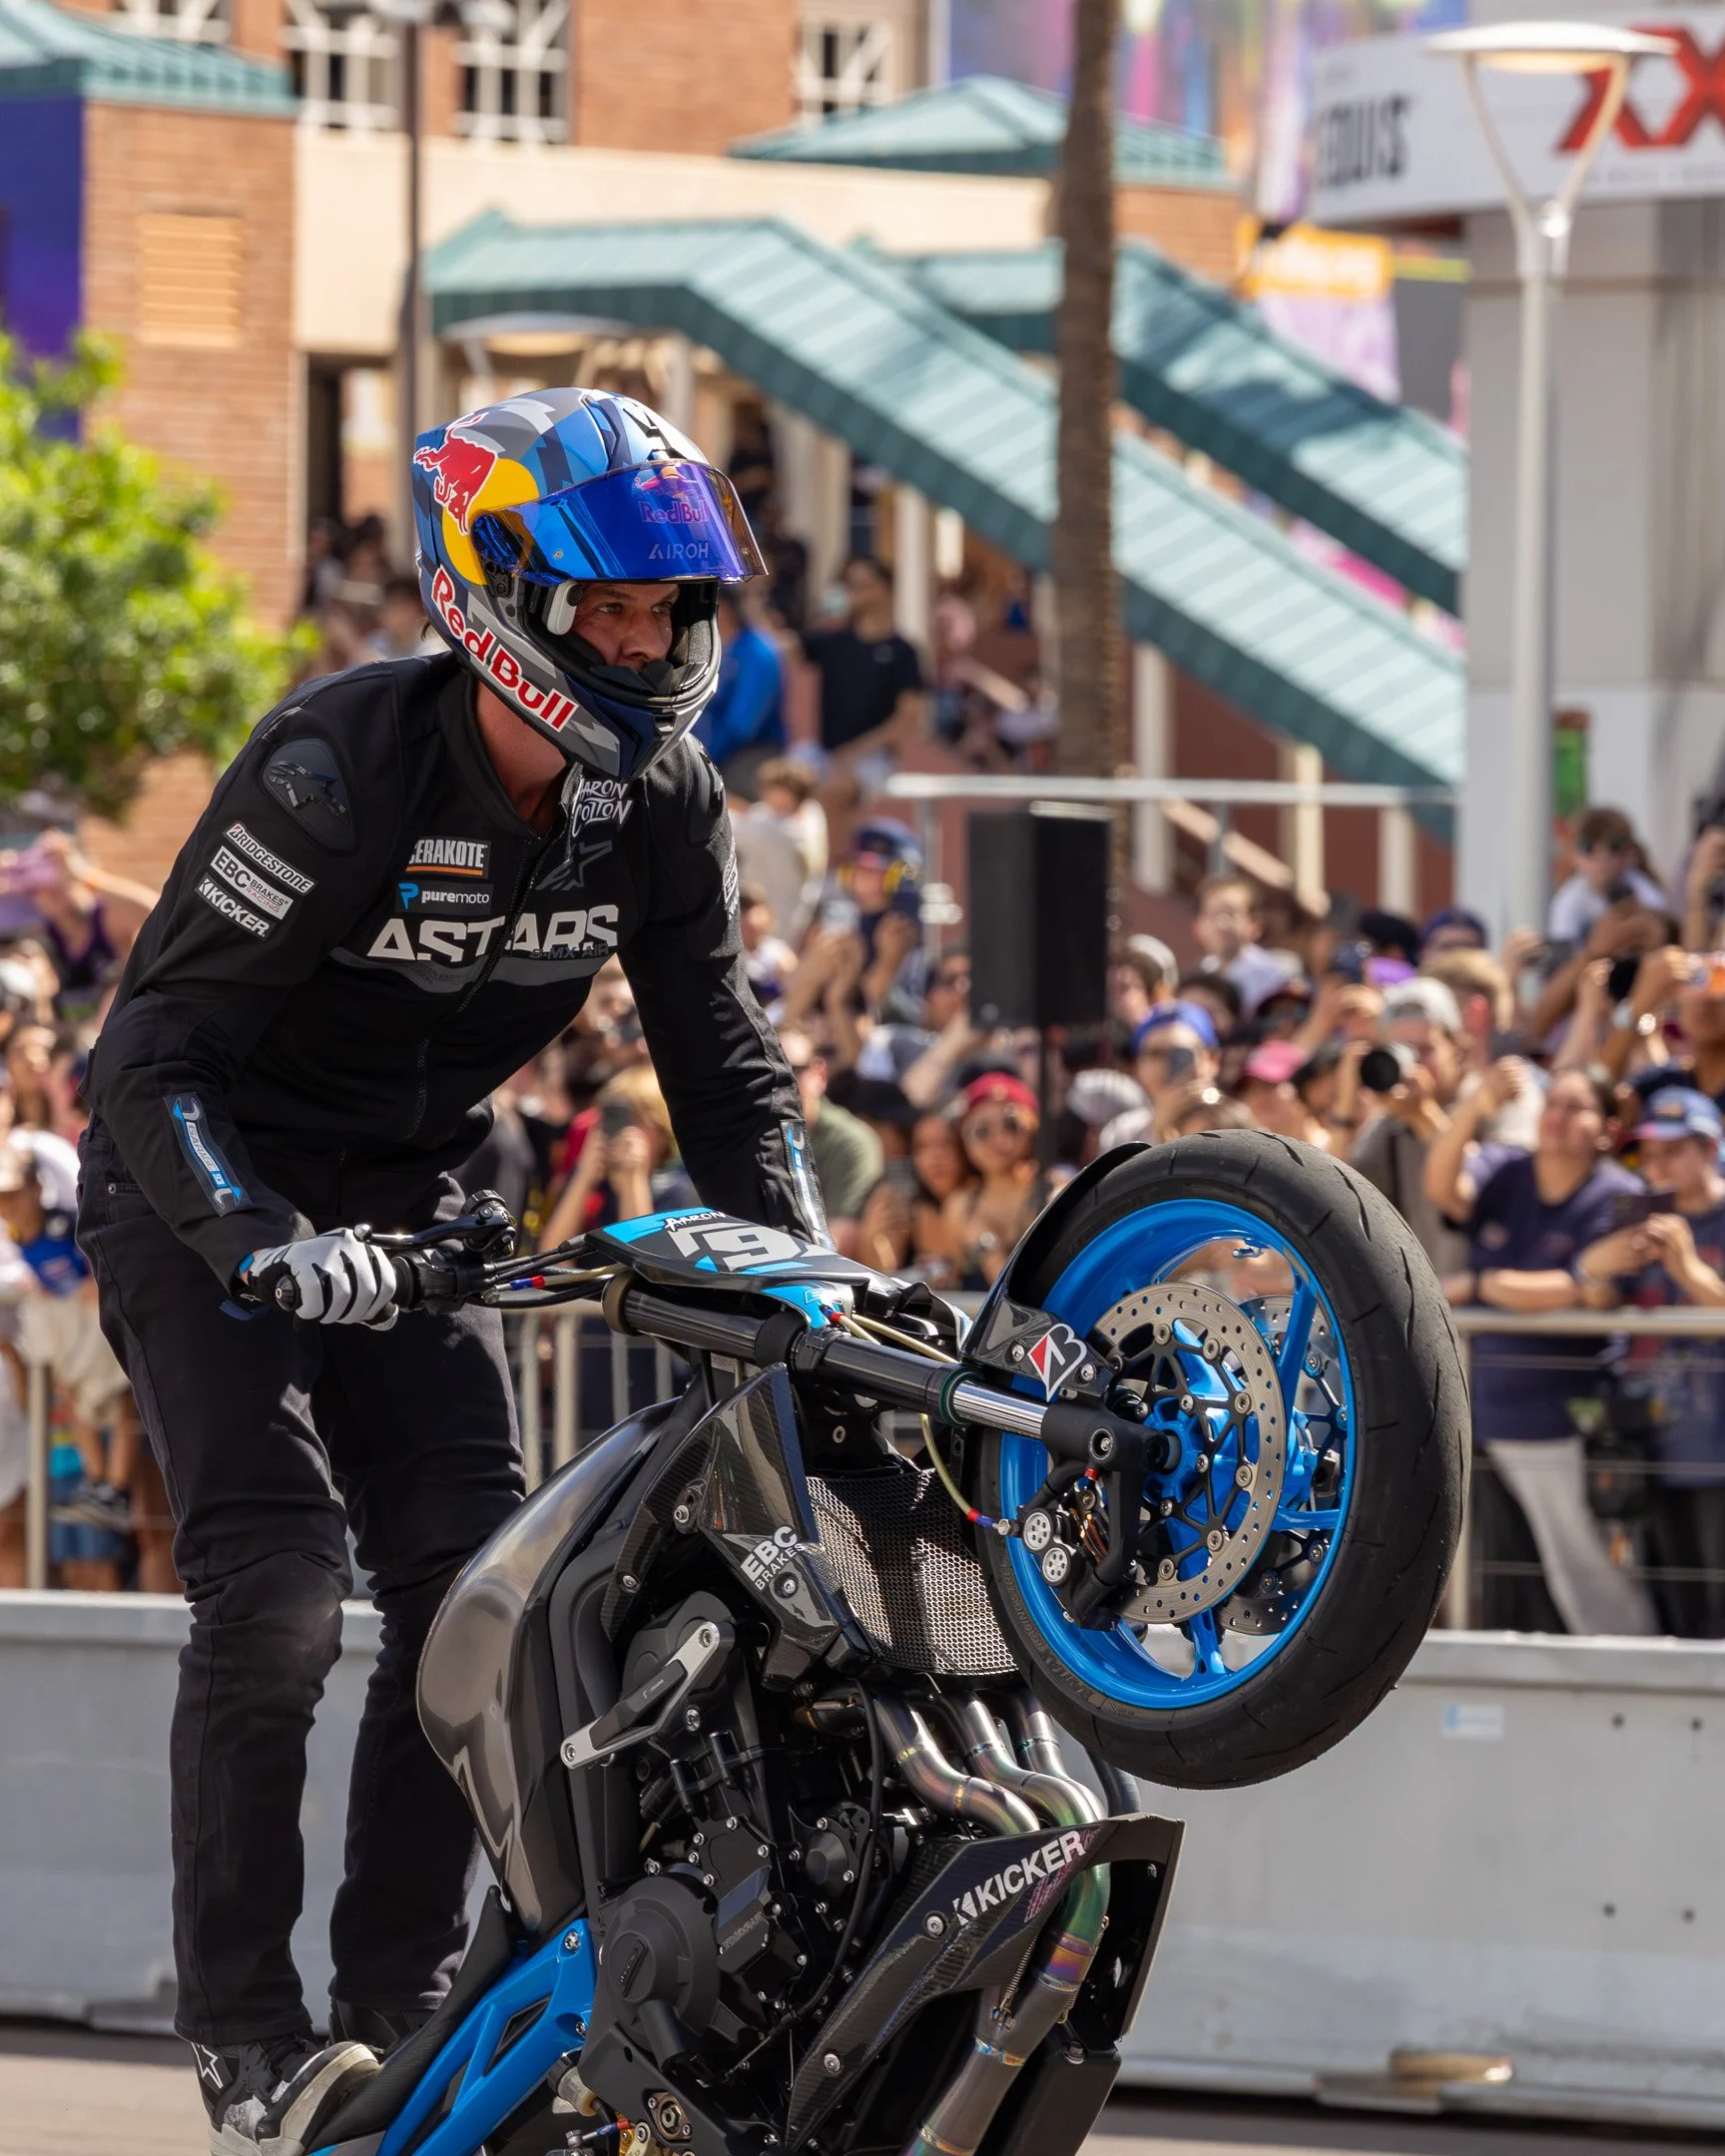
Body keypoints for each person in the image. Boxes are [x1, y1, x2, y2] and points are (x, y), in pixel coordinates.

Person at [77, 389, 826, 2152]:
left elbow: (722, 1067)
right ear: (503, 599)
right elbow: (145, 1061)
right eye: (609, 612)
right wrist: (264, 1243)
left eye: (666, 612)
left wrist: (806, 1268)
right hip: (210, 1194)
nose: (645, 647)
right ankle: (245, 2039)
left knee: (474, 1608)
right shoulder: (332, 769)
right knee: (270, 1596)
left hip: (412, 1209)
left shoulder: (663, 796)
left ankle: (395, 2009)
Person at [1425, 1064, 1655, 1637]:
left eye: (1576, 1107)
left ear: (1606, 1128)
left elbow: (1591, 1296)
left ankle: (1626, 1686)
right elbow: (1441, 1185)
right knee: (1494, 1578)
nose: (1556, 1117)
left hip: (1561, 1420)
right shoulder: (1507, 1168)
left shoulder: (1623, 1196)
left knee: (1587, 1574)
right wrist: (1475, 1105)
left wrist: (1482, 1286)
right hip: (1477, 1416)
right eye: (1553, 1103)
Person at [1578, 1088, 1725, 1635]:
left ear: (1709, 1149)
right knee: (1670, 1598)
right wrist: (1598, 1267)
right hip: (1651, 1436)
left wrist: (1688, 1269)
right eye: (1647, 1155)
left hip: (1715, 1444)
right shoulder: (1638, 1217)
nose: (1656, 1166)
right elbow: (1598, 1302)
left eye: (1672, 1152)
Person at [801, 555, 925, 804]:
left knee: (836, 789)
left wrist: (854, 752)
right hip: (823, 753)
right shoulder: (832, 641)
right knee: (783, 779)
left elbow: (908, 719)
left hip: (873, 757)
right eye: (849, 584)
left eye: (862, 584)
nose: (854, 591)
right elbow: (781, 645)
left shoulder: (903, 652)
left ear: (884, 588)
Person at [779, 1027, 881, 1248]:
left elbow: (840, 1240)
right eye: (767, 1075)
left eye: (791, 1071)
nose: (777, 1085)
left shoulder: (851, 1142)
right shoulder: (740, 1138)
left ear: (820, 1074)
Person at [692, 588, 785, 795]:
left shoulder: (757, 651)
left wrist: (702, 759)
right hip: (708, 747)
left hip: (750, 754)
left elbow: (743, 724)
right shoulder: (715, 644)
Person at [1547, 806, 1667, 947]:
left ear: (1631, 853)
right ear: (1574, 856)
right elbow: (1562, 959)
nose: (1602, 857)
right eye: (1588, 847)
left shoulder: (1646, 894)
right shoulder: (1568, 901)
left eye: (1614, 847)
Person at [1192, 874, 1295, 1019]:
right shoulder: (1199, 975)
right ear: (1198, 927)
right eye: (1213, 914)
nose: (1222, 924)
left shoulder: (1277, 976)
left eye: (1231, 914)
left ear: (1254, 924)